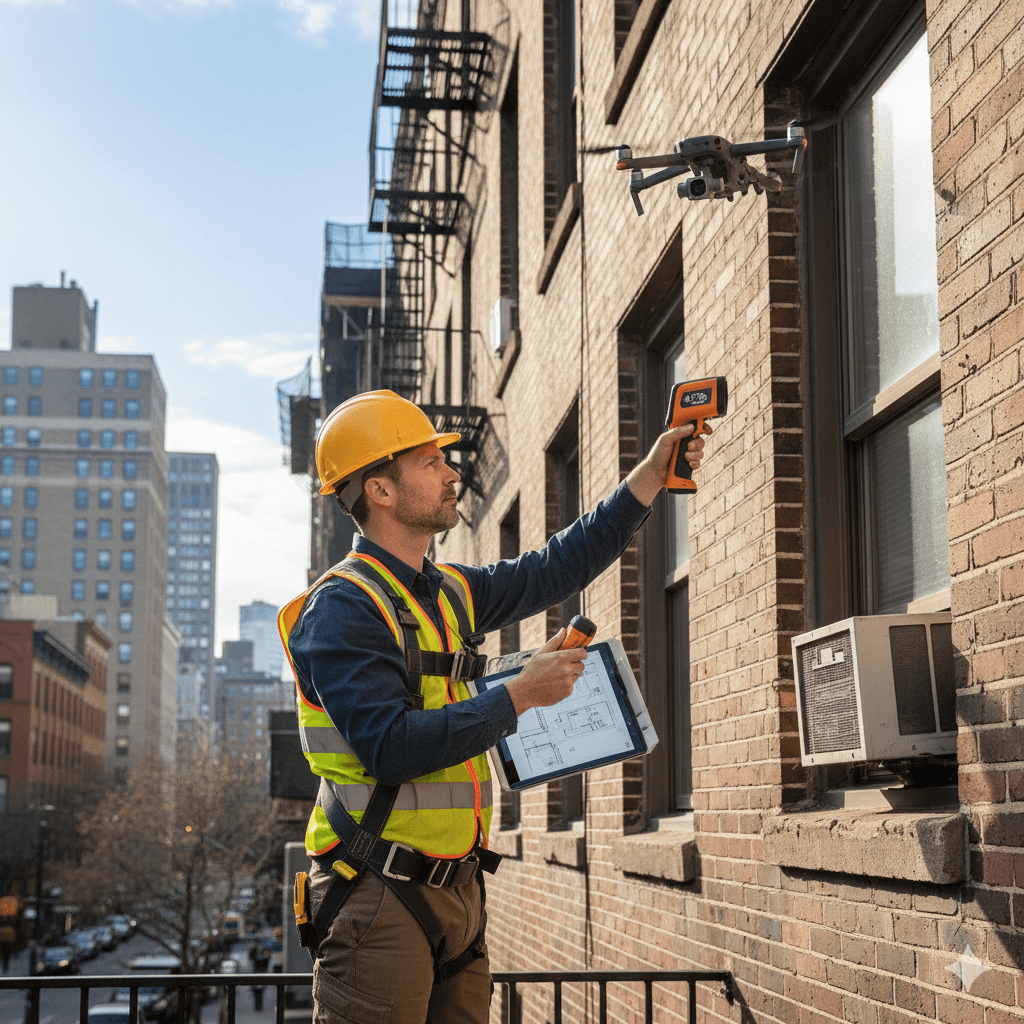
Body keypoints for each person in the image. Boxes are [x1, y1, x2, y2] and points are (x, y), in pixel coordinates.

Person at [279, 389, 709, 1024]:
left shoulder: (448, 591)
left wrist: (648, 477)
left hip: (458, 893)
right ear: (382, 491)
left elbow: (556, 565)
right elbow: (389, 748)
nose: (453, 473)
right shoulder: (342, 609)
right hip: (375, 895)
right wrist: (521, 694)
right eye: (431, 463)